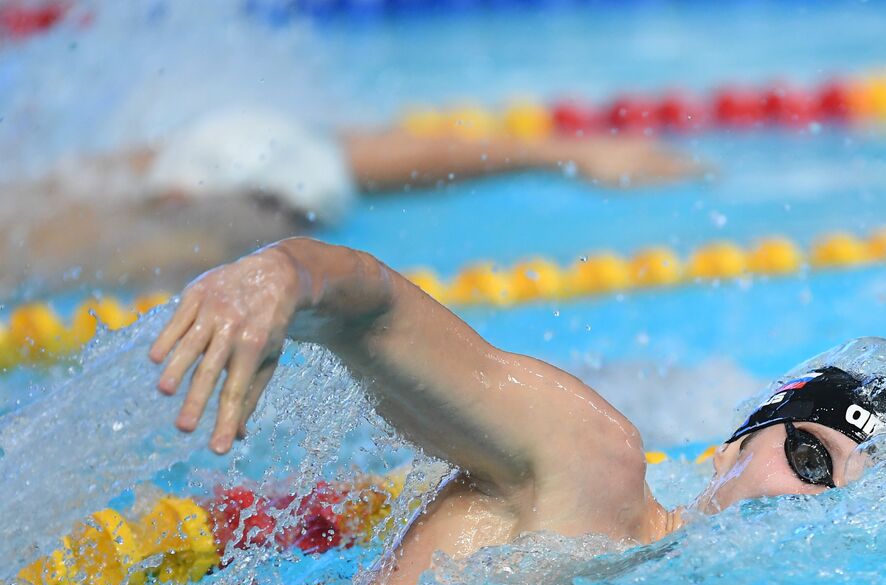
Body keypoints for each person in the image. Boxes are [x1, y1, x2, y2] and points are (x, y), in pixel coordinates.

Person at [149, 237, 886, 585]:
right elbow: (374, 309)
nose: (808, 507)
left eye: (845, 503)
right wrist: (284, 273)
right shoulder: (592, 464)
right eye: (812, 459)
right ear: (732, 446)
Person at [2, 106, 700, 297]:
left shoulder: (92, 183)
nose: (285, 233)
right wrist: (560, 153)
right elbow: (354, 153)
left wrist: (560, 153)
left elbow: (345, 154)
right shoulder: (185, 226)